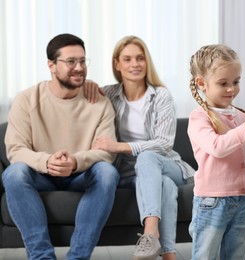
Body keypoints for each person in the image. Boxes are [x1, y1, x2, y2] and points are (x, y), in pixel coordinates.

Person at [2, 33, 120, 259]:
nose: (79, 68)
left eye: (83, 61)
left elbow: (105, 152)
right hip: (41, 175)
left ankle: (78, 257)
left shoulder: (99, 101)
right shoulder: (26, 99)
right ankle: (42, 256)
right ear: (51, 65)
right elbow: (15, 149)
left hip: (80, 175)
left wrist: (75, 161)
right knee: (14, 174)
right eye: (71, 62)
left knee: (107, 172)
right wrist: (46, 162)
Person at [87, 35, 195, 260]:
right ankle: (168, 255)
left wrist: (120, 146)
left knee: (148, 158)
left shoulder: (161, 95)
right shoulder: (109, 95)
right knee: (163, 185)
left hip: (168, 164)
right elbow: (78, 96)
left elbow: (164, 144)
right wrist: (88, 85)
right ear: (117, 64)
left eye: (140, 58)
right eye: (127, 59)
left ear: (147, 62)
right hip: (129, 172)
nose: (134, 64)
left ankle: (149, 232)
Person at [187, 44, 245, 259]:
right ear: (202, 84)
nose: (231, 89)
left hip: (242, 202)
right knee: (205, 256)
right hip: (211, 202)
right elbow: (217, 147)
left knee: (236, 255)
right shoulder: (199, 118)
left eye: (236, 82)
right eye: (223, 83)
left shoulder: (243, 117)